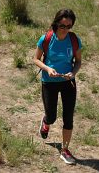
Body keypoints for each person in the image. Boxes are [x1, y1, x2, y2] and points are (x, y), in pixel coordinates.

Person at [33, 9, 82, 165]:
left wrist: (73, 73)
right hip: (49, 82)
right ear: (56, 23)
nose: (65, 29)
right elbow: (36, 59)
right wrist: (48, 69)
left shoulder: (74, 40)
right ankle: (46, 122)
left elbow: (78, 62)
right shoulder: (46, 39)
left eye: (69, 26)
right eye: (62, 25)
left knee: (68, 118)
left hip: (68, 82)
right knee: (52, 116)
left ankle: (65, 150)